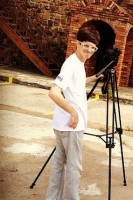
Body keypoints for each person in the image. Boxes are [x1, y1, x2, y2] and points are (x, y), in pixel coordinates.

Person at [46, 25, 103, 200]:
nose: (90, 50)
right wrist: (74, 113)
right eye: (86, 45)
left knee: (58, 165)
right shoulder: (71, 64)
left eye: (93, 48)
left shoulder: (77, 63)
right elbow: (53, 92)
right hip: (71, 127)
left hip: (63, 125)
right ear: (77, 43)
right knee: (73, 167)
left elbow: (74, 83)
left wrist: (93, 78)